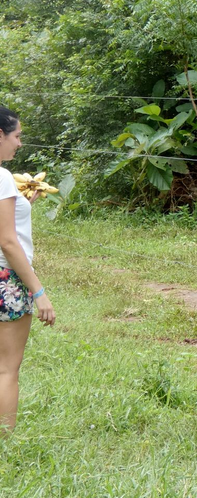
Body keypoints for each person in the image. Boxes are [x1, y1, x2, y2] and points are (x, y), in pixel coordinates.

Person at [0, 106, 55, 436]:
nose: (19, 144)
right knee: (7, 369)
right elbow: (7, 242)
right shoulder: (3, 178)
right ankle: (5, 443)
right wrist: (39, 291)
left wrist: (23, 206)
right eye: (17, 136)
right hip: (7, 279)